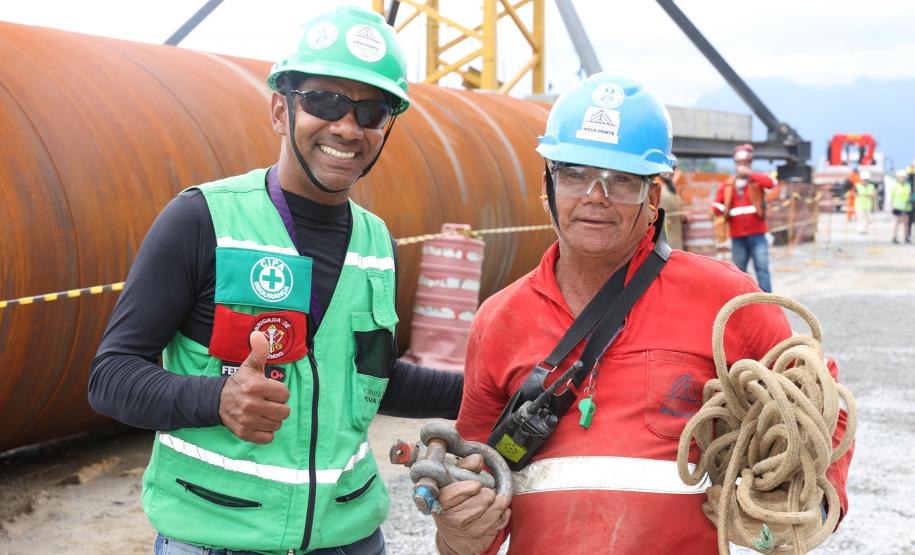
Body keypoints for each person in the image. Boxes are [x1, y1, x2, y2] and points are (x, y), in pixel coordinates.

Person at [88, 7, 463, 554]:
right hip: (219, 539)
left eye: (371, 111)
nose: (347, 127)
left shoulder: (377, 242)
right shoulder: (201, 221)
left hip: (353, 538)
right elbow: (110, 376)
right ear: (278, 109)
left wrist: (490, 387)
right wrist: (216, 398)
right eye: (325, 101)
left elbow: (372, 379)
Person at [430, 74, 853, 554]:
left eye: (622, 181)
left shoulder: (723, 299)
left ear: (652, 198)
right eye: (575, 173)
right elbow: (478, 477)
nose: (595, 195)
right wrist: (458, 531)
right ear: (547, 184)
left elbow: (821, 397)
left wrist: (813, 503)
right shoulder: (499, 319)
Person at [711, 143, 776, 292]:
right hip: (737, 236)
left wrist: (750, 174)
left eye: (745, 163)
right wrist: (717, 211)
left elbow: (771, 183)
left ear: (750, 163)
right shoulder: (727, 185)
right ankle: (743, 302)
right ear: (735, 163)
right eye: (739, 163)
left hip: (758, 234)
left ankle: (767, 302)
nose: (742, 166)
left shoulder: (756, 181)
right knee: (739, 272)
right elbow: (717, 206)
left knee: (762, 268)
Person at [658, 159, 686, 250]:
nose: (672, 172)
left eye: (674, 169)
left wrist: (682, 213)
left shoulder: (670, 186)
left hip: (675, 227)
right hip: (663, 228)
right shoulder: (655, 184)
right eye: (670, 169)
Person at [890, 169, 913, 243]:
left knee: (906, 223)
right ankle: (894, 237)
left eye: (903, 177)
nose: (902, 178)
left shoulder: (908, 186)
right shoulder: (895, 186)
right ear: (898, 177)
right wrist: (891, 206)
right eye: (900, 177)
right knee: (897, 223)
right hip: (897, 207)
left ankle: (906, 237)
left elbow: (909, 195)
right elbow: (892, 197)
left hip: (906, 207)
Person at [855, 170, 877, 234]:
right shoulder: (857, 186)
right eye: (864, 180)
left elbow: (873, 195)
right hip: (860, 205)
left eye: (866, 180)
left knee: (868, 219)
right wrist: (868, 195)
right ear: (861, 179)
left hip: (868, 205)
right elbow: (856, 194)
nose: (865, 181)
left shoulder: (871, 186)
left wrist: (874, 205)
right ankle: (860, 229)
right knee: (860, 218)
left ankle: (865, 229)